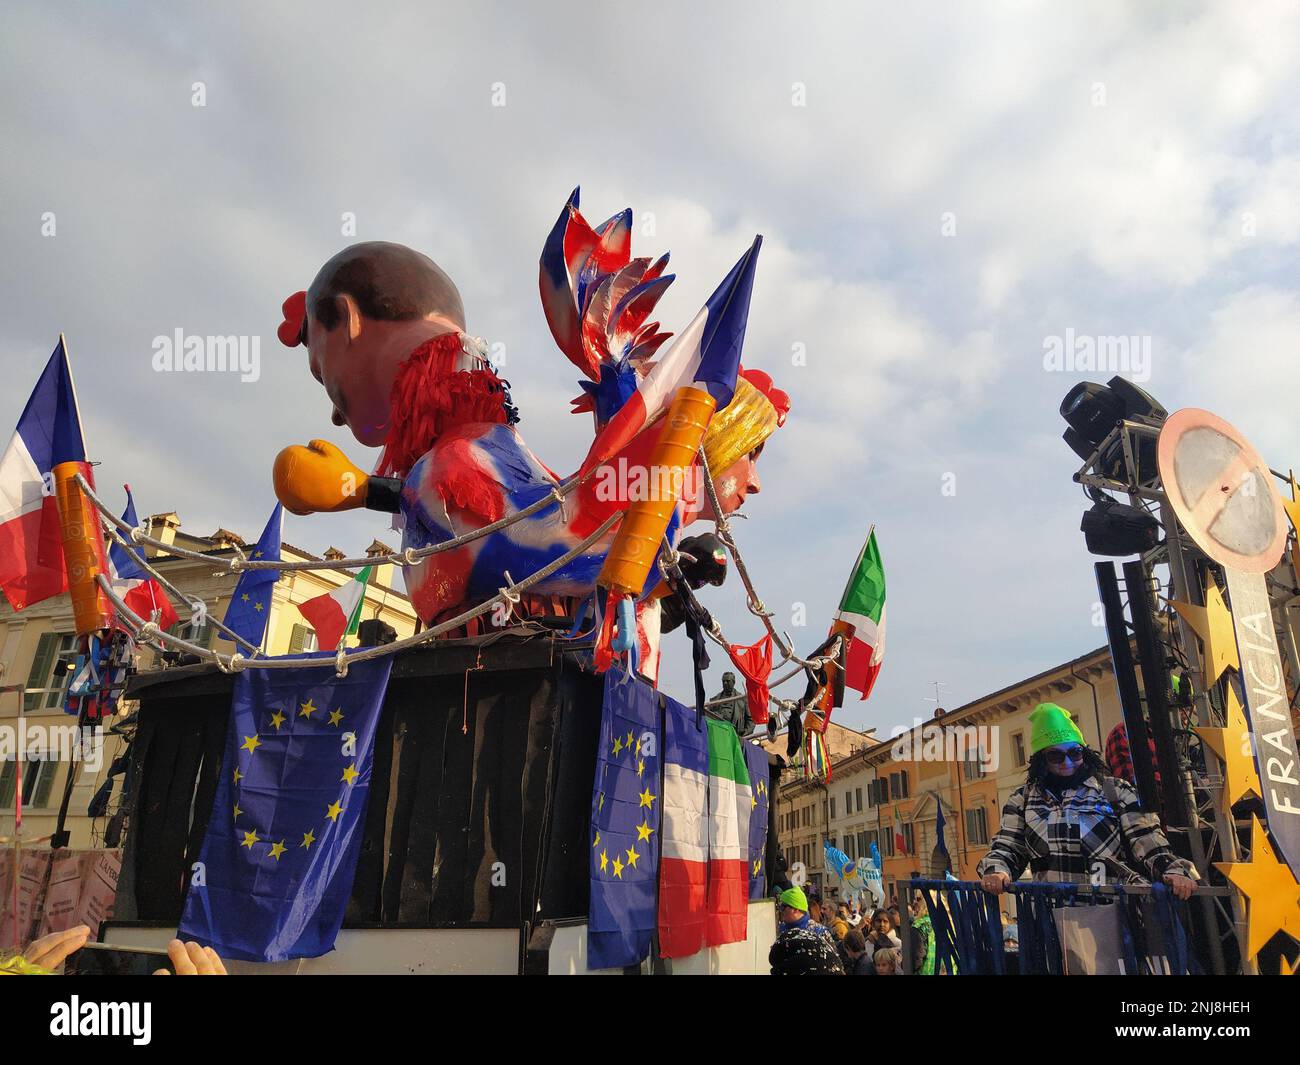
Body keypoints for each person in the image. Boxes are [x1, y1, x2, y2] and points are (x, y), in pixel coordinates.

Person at [978, 703, 1198, 898]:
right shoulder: (1023, 799)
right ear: (1041, 761)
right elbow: (1008, 844)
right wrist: (997, 869)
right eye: (1055, 756)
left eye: (1074, 753)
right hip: (1053, 916)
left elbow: (1147, 838)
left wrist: (1172, 869)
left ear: (1085, 753)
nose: (1067, 762)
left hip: (1113, 911)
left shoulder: (1116, 790)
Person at [769, 887, 845, 975]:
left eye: (783, 907)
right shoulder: (781, 928)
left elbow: (832, 964)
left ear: (795, 909)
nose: (780, 911)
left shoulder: (819, 931)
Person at [909, 893, 936, 975]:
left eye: (918, 899)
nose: (914, 902)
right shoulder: (947, 923)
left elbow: (916, 961)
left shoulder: (919, 926)